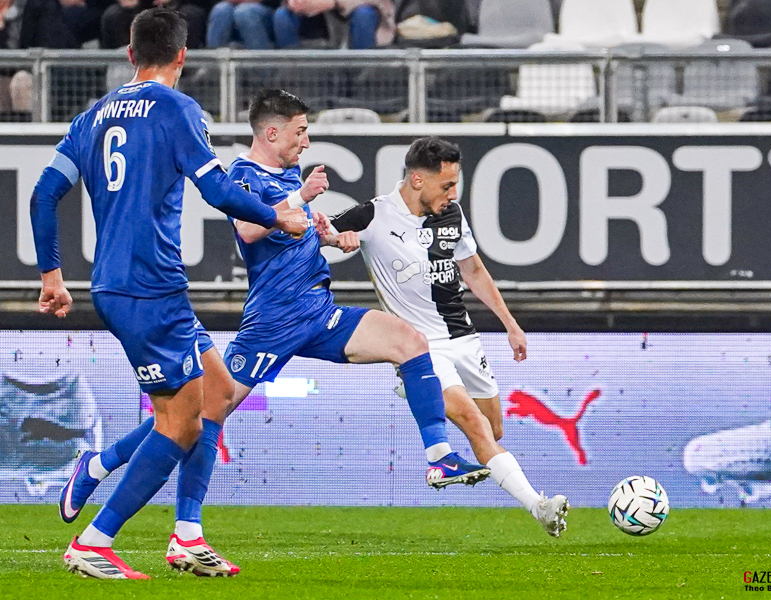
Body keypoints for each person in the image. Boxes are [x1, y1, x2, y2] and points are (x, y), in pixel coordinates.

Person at [55, 88, 491, 562]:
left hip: (318, 311)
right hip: (274, 320)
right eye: (300, 131)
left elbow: (290, 233)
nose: (306, 141)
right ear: (272, 132)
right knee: (203, 412)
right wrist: (300, 196)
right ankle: (122, 482)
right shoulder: (241, 174)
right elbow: (248, 230)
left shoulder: (285, 174)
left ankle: (438, 457)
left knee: (409, 340)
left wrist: (329, 237)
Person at [30, 8, 308, 580]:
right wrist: (277, 216)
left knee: (218, 393)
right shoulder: (178, 109)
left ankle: (181, 532)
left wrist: (52, 276)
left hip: (126, 284)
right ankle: (94, 541)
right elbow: (218, 190)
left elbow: (42, 195)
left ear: (130, 54)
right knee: (180, 423)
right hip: (147, 288)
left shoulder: (91, 116)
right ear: (182, 55)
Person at [328, 136, 569, 536]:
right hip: (421, 348)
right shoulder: (373, 215)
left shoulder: (451, 214)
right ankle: (539, 507)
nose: (453, 194)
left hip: (463, 337)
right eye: (447, 185)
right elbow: (312, 235)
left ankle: (419, 392)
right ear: (417, 180)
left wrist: (510, 324)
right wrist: (337, 238)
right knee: (474, 424)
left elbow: (473, 270)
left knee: (493, 429)